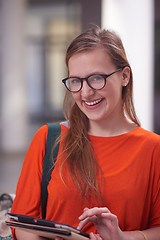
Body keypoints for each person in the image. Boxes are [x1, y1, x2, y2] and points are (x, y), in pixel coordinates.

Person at [11, 25, 160, 240]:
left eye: (97, 78)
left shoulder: (153, 148)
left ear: (125, 76)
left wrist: (122, 237)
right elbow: (20, 223)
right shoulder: (48, 138)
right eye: (76, 81)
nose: (86, 92)